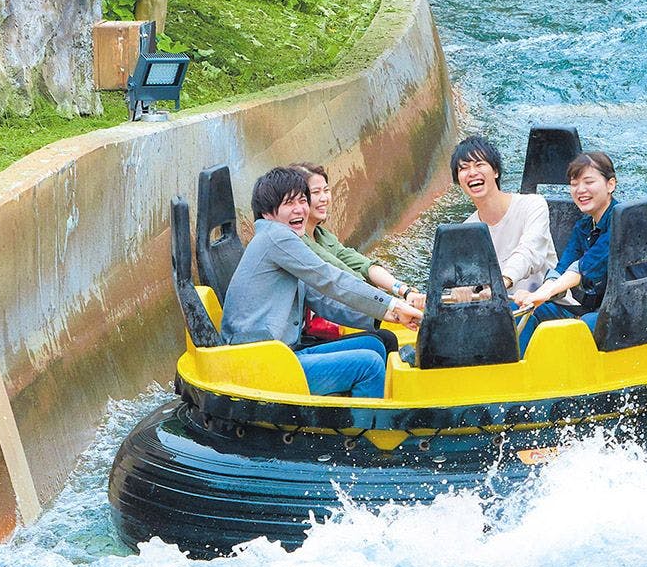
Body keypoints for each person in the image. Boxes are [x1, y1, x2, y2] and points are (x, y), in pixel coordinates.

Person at [219, 167, 422, 398]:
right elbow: (330, 279)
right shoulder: (276, 237)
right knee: (368, 364)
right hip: (260, 363)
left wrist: (386, 316)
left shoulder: (284, 242)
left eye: (303, 201)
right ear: (267, 213)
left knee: (375, 345)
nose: (300, 210)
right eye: (289, 203)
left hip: (281, 354)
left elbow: (323, 301)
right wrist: (392, 304)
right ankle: (363, 432)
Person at [290, 162, 412, 354]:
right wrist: (393, 305)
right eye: (316, 193)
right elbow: (344, 277)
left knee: (384, 336)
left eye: (326, 191)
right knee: (383, 340)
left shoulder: (322, 235)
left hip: (341, 313)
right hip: (311, 333)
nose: (324, 199)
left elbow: (363, 265)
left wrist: (405, 291)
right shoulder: (296, 243)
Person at [514, 151, 618, 354]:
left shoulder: (622, 221)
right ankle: (519, 371)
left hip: (624, 311)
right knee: (524, 312)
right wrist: (535, 297)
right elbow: (562, 269)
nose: (581, 190)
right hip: (594, 308)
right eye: (574, 184)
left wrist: (543, 293)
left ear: (610, 185)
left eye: (588, 182)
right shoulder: (584, 227)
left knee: (584, 325)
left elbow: (584, 267)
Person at [453, 135, 556, 295]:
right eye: (464, 168)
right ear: (458, 180)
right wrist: (461, 289)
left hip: (546, 303)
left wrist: (503, 281)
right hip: (498, 310)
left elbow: (530, 251)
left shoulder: (533, 205)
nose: (472, 172)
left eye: (479, 164)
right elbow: (467, 276)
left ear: (495, 171)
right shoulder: (466, 230)